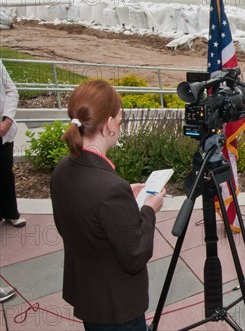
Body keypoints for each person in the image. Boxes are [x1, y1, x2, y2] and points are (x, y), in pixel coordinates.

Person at [51, 79, 166, 331]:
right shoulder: (109, 188)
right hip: (117, 306)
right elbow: (135, 255)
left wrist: (126, 196)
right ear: (109, 125)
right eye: (119, 118)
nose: (121, 122)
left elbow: (77, 225)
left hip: (89, 294)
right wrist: (148, 210)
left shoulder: (63, 168)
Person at [0, 60, 25, 227]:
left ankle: (10, 213)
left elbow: (12, 90)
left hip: (3, 131)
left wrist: (7, 120)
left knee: (4, 173)